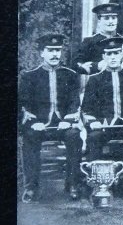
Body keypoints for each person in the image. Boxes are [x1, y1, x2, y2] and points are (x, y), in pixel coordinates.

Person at [80, 36, 123, 198]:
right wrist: (94, 122)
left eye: (116, 53)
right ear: (103, 57)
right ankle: (96, 184)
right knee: (94, 138)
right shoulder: (95, 79)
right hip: (103, 127)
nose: (113, 57)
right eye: (109, 54)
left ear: (122, 55)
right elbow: (87, 108)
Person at [19, 34, 83, 202]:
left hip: (63, 124)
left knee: (74, 136)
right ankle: (31, 187)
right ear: (42, 53)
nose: (55, 54)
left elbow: (74, 101)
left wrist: (67, 121)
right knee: (29, 138)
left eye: (58, 50)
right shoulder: (30, 76)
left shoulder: (70, 75)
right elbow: (24, 104)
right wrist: (34, 122)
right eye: (50, 50)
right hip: (38, 125)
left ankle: (73, 184)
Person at [73, 3, 123, 76]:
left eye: (114, 18)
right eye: (106, 18)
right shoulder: (89, 42)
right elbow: (75, 65)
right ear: (99, 20)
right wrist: (97, 66)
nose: (111, 21)